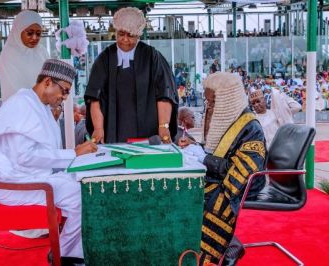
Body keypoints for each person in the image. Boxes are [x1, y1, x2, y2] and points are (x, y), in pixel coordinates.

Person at [0, 59, 97, 265]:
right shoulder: (23, 105)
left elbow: (39, 151)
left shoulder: (36, 103)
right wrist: (74, 154)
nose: (64, 97)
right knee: (82, 193)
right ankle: (65, 255)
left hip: (26, 176)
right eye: (64, 91)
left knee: (81, 181)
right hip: (14, 184)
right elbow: (26, 157)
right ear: (47, 82)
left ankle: (67, 249)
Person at [180, 72, 266, 265]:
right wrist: (196, 147)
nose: (208, 107)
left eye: (212, 103)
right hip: (223, 177)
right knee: (183, 187)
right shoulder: (229, 119)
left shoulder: (251, 128)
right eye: (207, 102)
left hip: (242, 184)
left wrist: (204, 158)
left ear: (227, 101)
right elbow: (218, 152)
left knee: (209, 198)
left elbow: (241, 173)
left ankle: (215, 255)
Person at [84, 7, 178, 144]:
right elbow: (94, 97)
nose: (125, 40)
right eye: (121, 34)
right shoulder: (105, 59)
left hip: (148, 131)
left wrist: (163, 126)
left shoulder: (152, 57)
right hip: (112, 132)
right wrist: (98, 128)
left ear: (139, 35)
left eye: (131, 35)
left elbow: (165, 93)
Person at [0, 10, 49, 102]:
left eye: (38, 33)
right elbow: (13, 90)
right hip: (19, 110)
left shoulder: (42, 52)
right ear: (19, 30)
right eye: (30, 33)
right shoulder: (9, 54)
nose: (34, 38)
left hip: (43, 107)